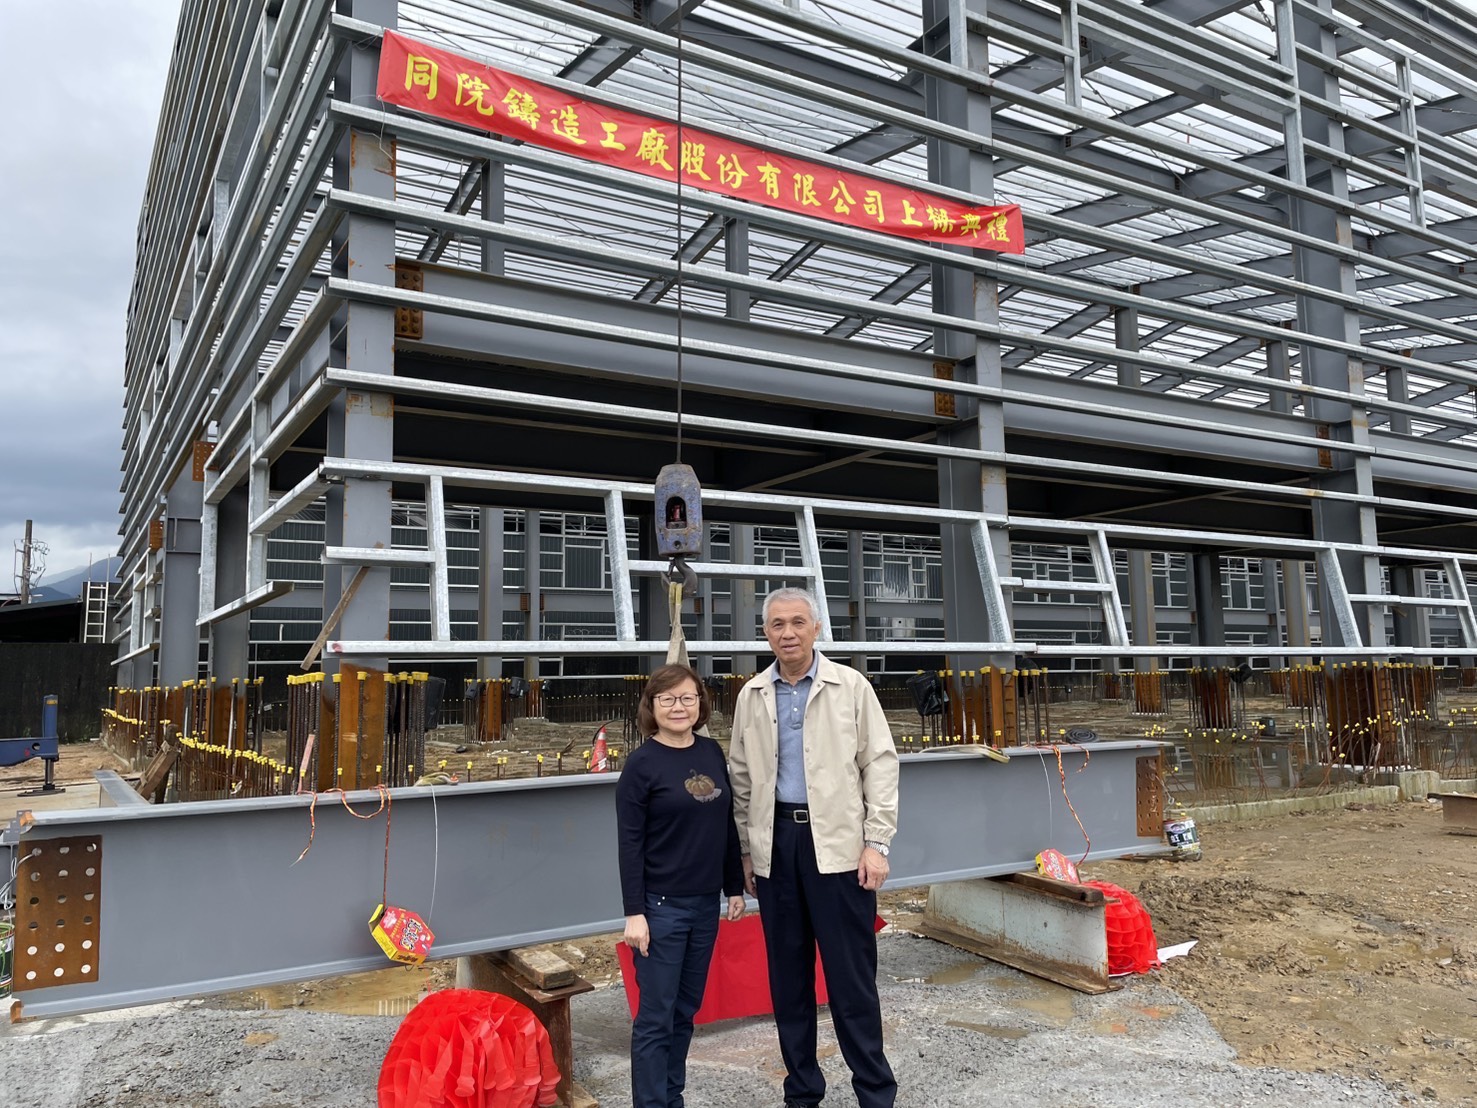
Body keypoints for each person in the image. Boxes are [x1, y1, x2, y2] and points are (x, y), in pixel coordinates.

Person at [730, 587, 899, 1108]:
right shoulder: (752, 695)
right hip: (777, 845)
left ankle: (875, 1093)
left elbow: (880, 764)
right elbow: (741, 777)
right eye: (777, 624)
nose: (788, 633)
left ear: (817, 628)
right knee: (789, 979)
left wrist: (876, 843)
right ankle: (802, 1091)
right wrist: (747, 851)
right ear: (766, 633)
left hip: (840, 847)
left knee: (851, 978)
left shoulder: (850, 687)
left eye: (798, 622)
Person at [616, 663, 747, 1108]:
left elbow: (725, 825)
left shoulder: (711, 752)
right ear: (651, 706)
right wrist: (635, 913)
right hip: (661, 909)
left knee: (686, 1010)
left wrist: (733, 887)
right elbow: (629, 844)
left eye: (688, 698)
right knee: (656, 1017)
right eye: (668, 699)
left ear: (700, 704)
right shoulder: (641, 765)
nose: (679, 707)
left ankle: (672, 1097)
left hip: (705, 905)